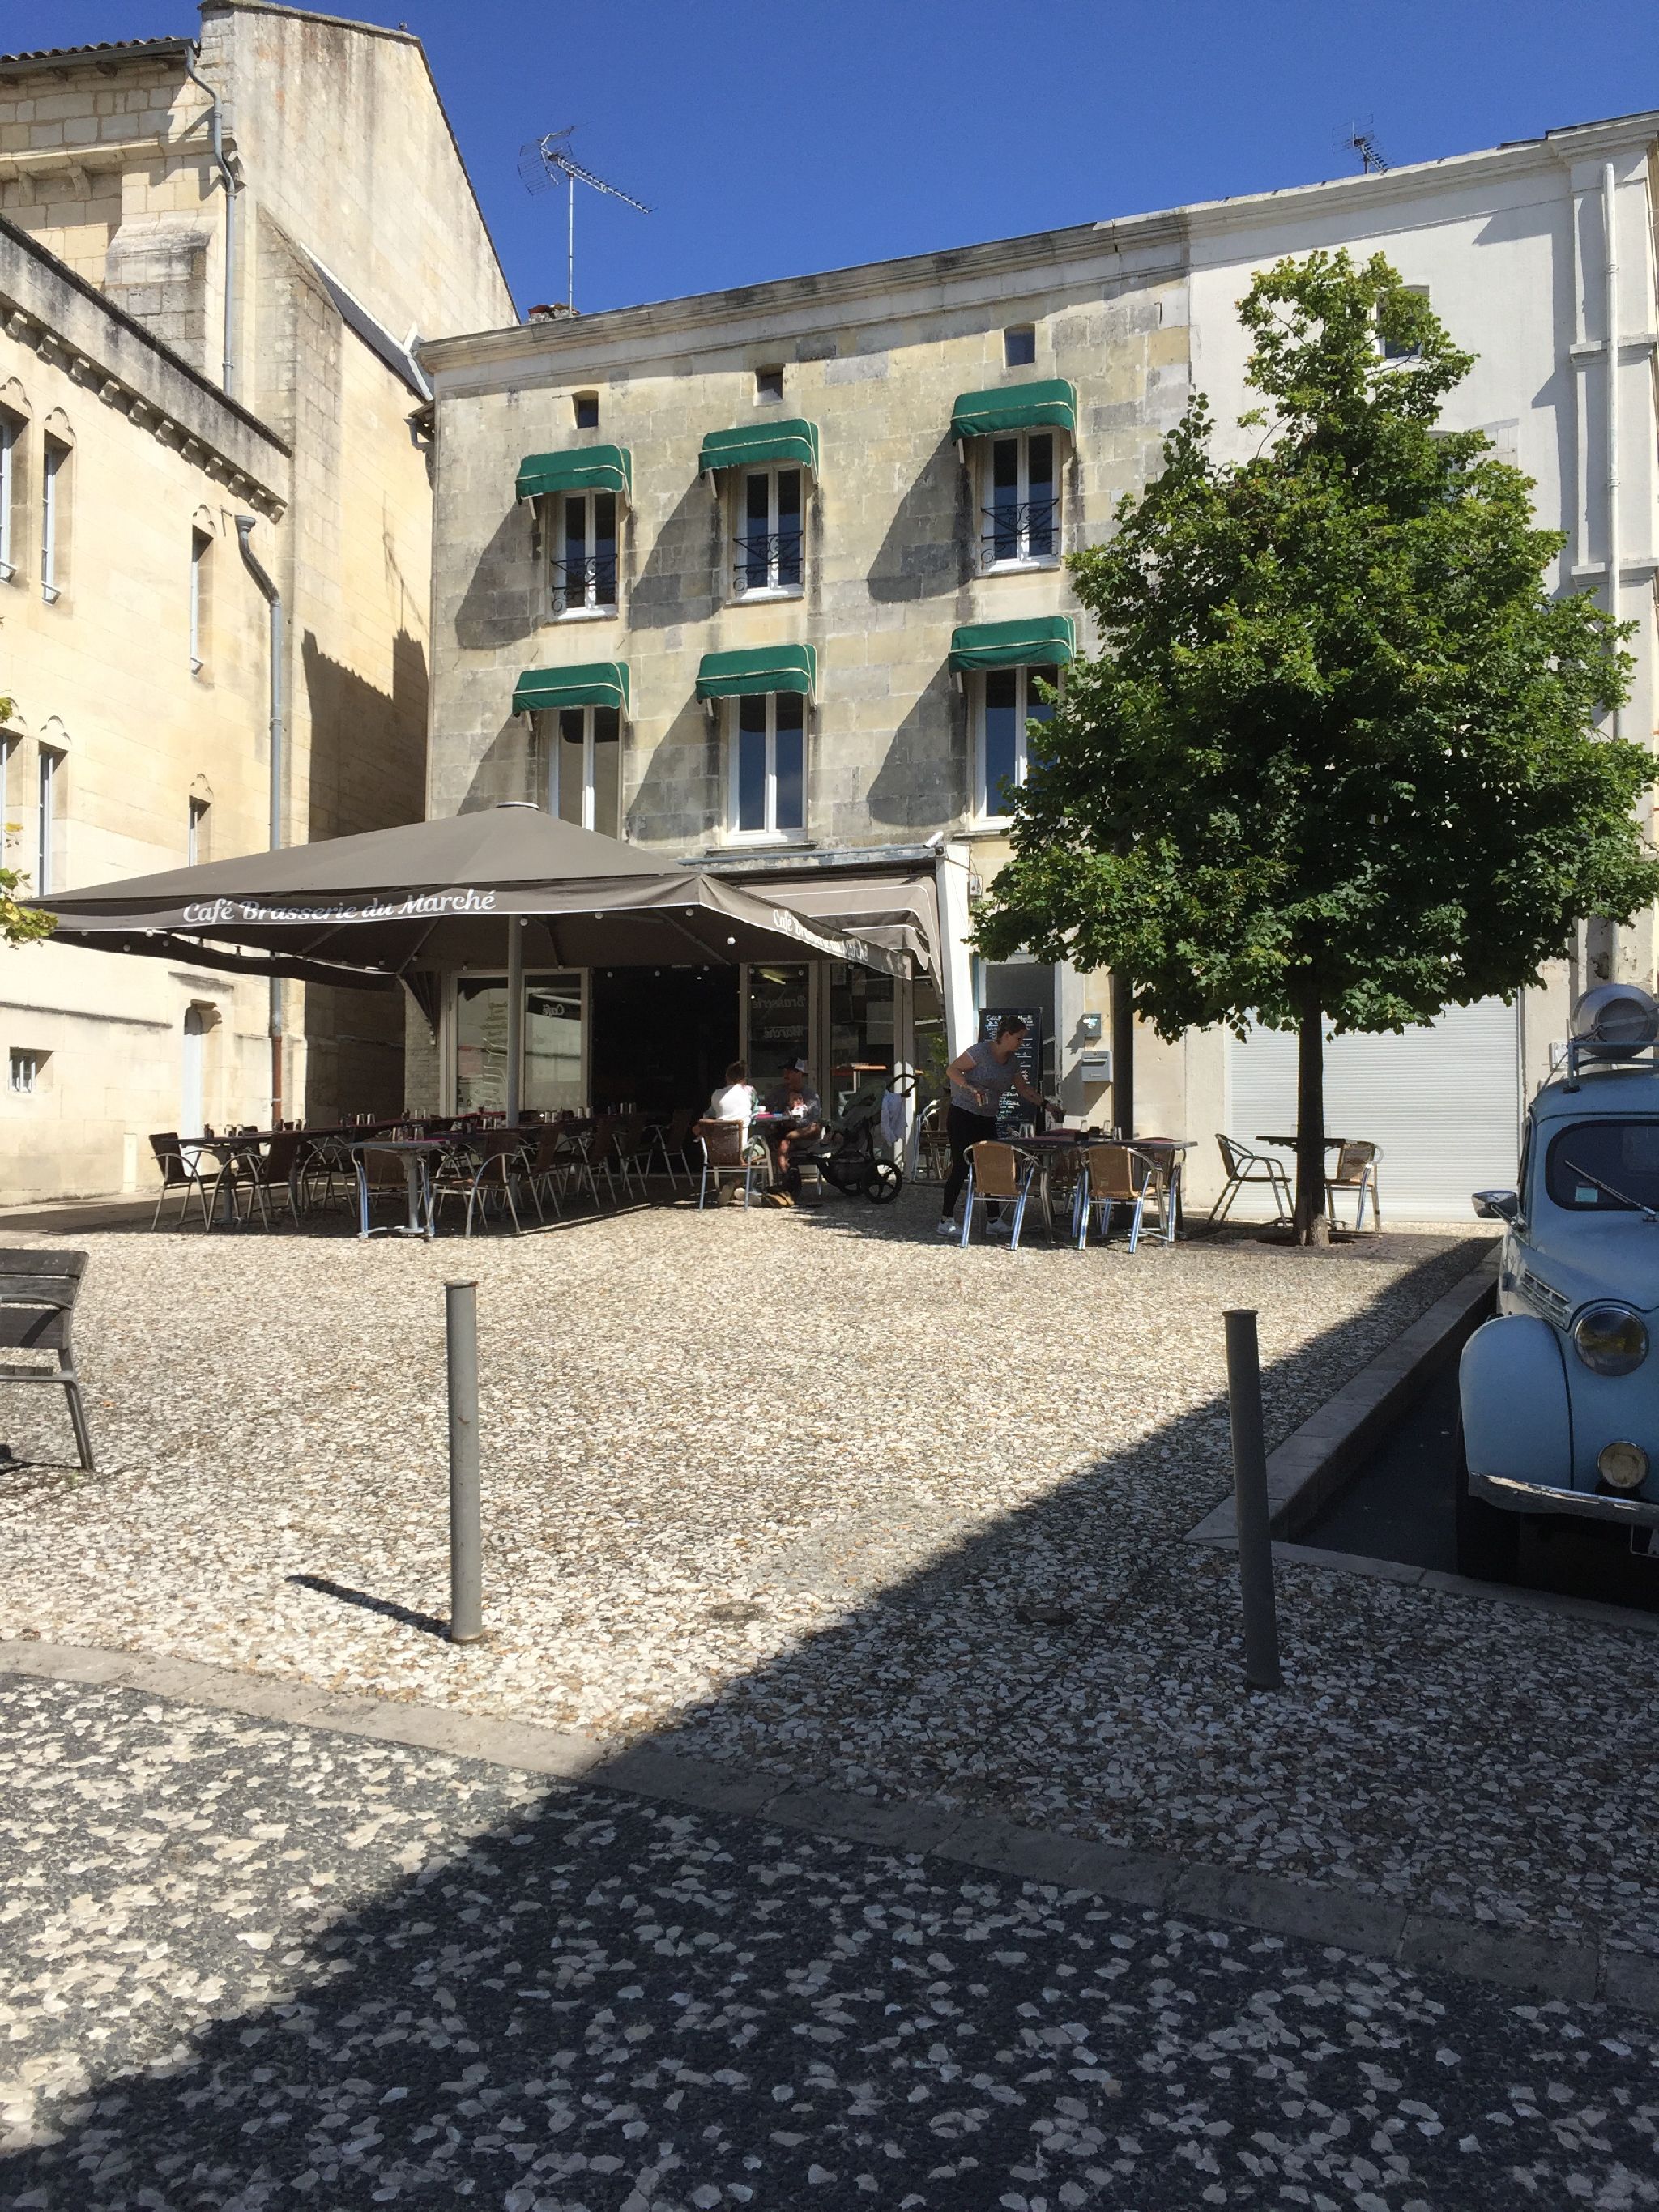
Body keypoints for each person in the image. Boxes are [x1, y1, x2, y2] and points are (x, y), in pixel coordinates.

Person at [939, 1017, 1047, 1237]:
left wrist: (1046, 1104)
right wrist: (970, 1087)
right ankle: (945, 1219)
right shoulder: (980, 1052)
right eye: (1019, 1038)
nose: (1021, 1043)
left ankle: (993, 1220)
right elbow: (952, 1070)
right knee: (962, 1164)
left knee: (991, 1165)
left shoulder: (1013, 1061)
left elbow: (1023, 1088)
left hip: (987, 1116)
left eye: (1023, 1040)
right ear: (1006, 1035)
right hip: (963, 1114)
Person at [761, 1057, 822, 1203]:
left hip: (802, 1134)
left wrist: (796, 1121)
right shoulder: (777, 1092)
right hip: (782, 1132)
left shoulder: (810, 1095)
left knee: (815, 1127)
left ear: (800, 1073)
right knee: (783, 1143)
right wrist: (785, 1113)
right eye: (785, 1072)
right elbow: (768, 1113)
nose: (785, 1076)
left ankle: (788, 1182)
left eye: (789, 1072)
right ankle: (788, 1182)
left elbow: (813, 1118)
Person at [709, 1060, 754, 1125]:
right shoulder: (749, 1091)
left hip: (720, 1134)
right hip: (742, 1134)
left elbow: (710, 1114)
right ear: (744, 1079)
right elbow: (755, 1112)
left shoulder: (716, 1094)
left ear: (727, 1078)